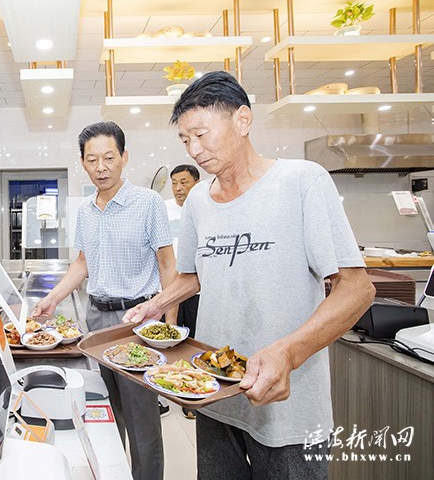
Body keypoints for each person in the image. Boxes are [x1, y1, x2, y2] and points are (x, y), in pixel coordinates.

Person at [123, 71, 375, 479]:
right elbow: (193, 276)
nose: (195, 149)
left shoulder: (302, 181)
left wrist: (286, 354)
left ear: (242, 119)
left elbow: (357, 289)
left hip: (285, 401)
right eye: (185, 140)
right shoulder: (199, 199)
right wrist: (156, 304)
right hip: (213, 390)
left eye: (201, 134)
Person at [32, 121, 175, 480]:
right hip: (96, 319)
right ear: (82, 162)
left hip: (138, 322)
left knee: (142, 421)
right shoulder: (85, 210)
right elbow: (83, 263)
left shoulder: (148, 203)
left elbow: (167, 265)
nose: (101, 167)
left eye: (109, 157)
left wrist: (170, 327)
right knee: (106, 413)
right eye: (92, 159)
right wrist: (52, 298)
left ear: (124, 157)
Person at [163, 163, 201, 419]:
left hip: (196, 292)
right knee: (165, 343)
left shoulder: (203, 208)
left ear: (196, 183)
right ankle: (164, 393)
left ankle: (191, 397)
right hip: (166, 290)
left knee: (192, 345)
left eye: (184, 182)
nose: (178, 188)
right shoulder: (163, 209)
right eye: (174, 183)